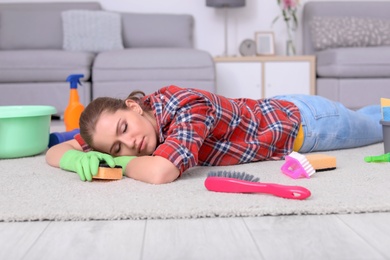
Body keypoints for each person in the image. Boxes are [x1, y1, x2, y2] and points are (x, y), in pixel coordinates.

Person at [46, 85, 383, 184]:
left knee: (376, 123)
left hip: (311, 126)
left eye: (124, 129)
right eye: (116, 146)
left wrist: (115, 162)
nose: (129, 143)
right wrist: (78, 157)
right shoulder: (137, 127)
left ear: (133, 106)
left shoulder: (185, 106)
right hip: (280, 108)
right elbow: (54, 152)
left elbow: (162, 173)